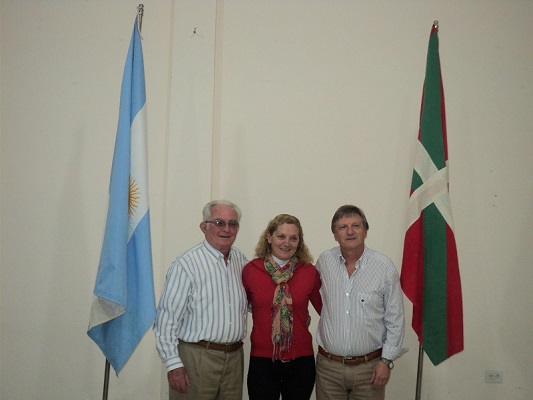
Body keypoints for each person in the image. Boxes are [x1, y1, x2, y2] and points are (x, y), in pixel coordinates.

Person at [153, 200, 248, 400]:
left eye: (233, 224)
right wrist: (173, 364)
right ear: (204, 226)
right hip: (197, 357)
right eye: (219, 222)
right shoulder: (186, 264)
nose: (226, 229)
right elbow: (166, 319)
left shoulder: (242, 262)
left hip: (234, 359)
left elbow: (253, 303)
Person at [315, 205, 407, 400]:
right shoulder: (324, 262)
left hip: (370, 369)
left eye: (356, 225)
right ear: (334, 235)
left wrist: (387, 361)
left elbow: (395, 318)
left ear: (365, 231)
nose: (350, 231)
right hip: (329, 370)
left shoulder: (384, 267)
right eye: (343, 227)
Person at [242, 214, 322, 400]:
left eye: (293, 238)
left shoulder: (309, 272)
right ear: (269, 237)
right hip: (263, 360)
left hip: (301, 360)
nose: (287, 243)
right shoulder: (251, 270)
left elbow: (325, 310)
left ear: (299, 242)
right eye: (281, 236)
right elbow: (242, 306)